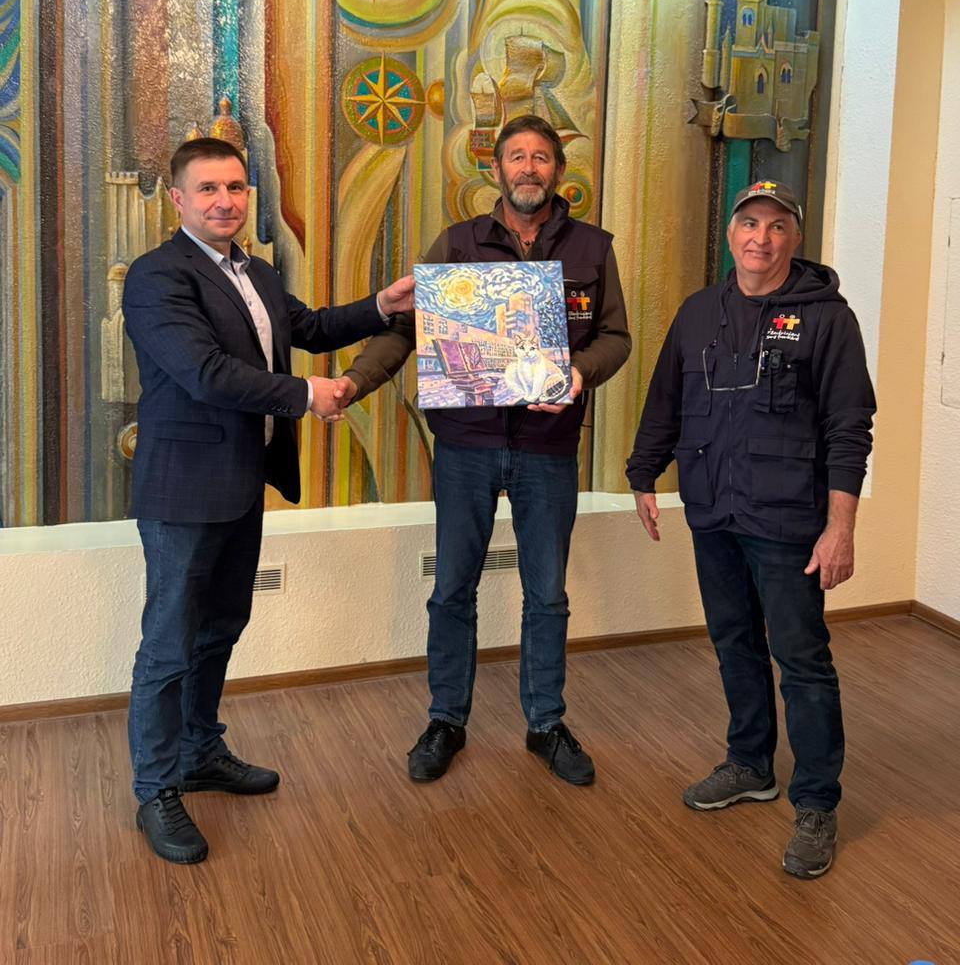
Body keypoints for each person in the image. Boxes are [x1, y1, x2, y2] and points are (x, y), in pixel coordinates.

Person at [123, 136, 414, 864]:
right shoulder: (159, 277)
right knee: (169, 643)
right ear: (178, 199)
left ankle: (200, 752)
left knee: (222, 625)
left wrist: (380, 305)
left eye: (236, 187)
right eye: (208, 189)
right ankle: (156, 789)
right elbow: (206, 372)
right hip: (184, 489)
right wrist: (308, 395)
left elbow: (308, 328)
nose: (225, 201)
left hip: (240, 480)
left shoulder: (255, 270)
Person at [338, 114, 632, 787]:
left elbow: (615, 337)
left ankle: (546, 723)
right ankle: (446, 719)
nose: (528, 168)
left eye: (541, 157)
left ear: (559, 170)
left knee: (547, 594)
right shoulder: (457, 244)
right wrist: (355, 381)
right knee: (452, 589)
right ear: (495, 170)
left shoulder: (592, 248)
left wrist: (579, 373)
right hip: (465, 445)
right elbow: (406, 329)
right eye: (515, 157)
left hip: (549, 446)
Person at [626, 179, 875, 880]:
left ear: (794, 237)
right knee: (733, 641)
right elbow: (666, 398)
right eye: (749, 223)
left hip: (788, 517)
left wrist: (840, 528)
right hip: (714, 509)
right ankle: (750, 763)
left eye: (776, 226)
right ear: (731, 233)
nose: (760, 238)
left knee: (802, 660)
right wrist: (644, 473)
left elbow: (850, 429)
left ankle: (816, 803)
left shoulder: (828, 320)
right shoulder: (699, 312)